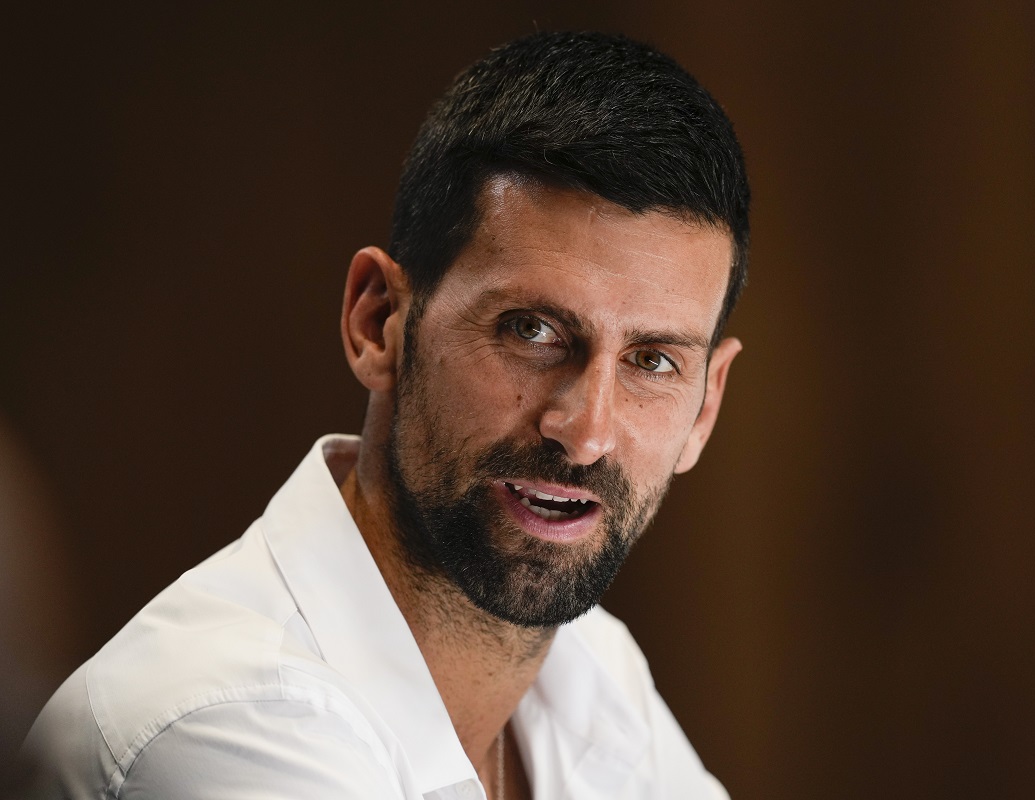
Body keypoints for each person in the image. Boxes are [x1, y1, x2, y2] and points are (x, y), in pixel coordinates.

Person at [23, 31, 749, 799]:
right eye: (531, 331)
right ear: (379, 323)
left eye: (652, 361)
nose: (587, 431)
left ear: (705, 405)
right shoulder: (223, 722)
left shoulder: (595, 675)